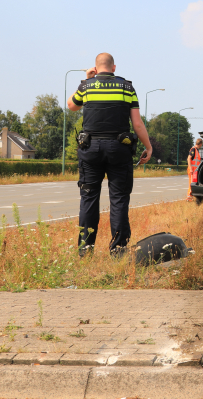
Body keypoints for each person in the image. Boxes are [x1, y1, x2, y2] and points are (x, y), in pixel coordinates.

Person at [67, 52, 153, 257]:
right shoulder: (127, 88)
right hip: (119, 149)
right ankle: (118, 249)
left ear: (96, 68)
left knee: (88, 198)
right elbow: (137, 123)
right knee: (119, 199)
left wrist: (87, 79)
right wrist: (148, 147)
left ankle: (85, 250)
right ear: (114, 67)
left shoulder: (86, 86)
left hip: (90, 149)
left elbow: (71, 106)